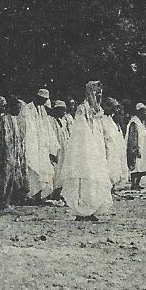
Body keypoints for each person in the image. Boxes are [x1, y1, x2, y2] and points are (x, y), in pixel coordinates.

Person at [58, 81, 113, 221]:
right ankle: (82, 210)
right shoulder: (82, 109)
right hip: (85, 149)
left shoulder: (97, 110)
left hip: (96, 148)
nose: (98, 96)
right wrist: (90, 147)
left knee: (95, 177)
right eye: (96, 93)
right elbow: (80, 131)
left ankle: (92, 208)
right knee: (84, 178)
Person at [23, 88, 60, 202]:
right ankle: (32, 196)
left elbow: (47, 129)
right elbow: (26, 129)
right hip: (32, 145)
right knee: (33, 171)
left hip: (42, 146)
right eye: (42, 99)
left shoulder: (42, 110)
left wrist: (51, 147)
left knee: (44, 171)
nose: (43, 102)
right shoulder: (27, 109)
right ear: (37, 97)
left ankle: (39, 196)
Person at [0, 97, 30, 206]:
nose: (19, 110)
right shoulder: (4, 119)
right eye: (17, 108)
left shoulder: (17, 120)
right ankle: (3, 201)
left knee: (16, 177)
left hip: (16, 154)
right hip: (6, 154)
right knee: (6, 177)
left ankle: (12, 199)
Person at [100, 97, 130, 192]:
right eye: (114, 107)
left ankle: (112, 188)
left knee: (115, 168)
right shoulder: (102, 119)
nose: (115, 110)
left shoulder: (111, 120)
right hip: (106, 147)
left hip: (114, 148)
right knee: (108, 168)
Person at [126, 103, 146, 189]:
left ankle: (137, 184)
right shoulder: (134, 122)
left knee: (142, 167)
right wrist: (135, 149)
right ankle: (134, 184)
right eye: (144, 112)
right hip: (137, 149)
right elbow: (133, 137)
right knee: (136, 167)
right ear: (139, 112)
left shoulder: (140, 123)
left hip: (143, 148)